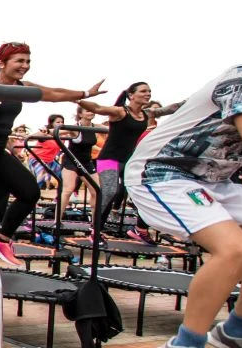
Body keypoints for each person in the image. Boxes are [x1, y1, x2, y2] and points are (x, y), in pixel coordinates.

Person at [126, 21, 242, 348]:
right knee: (236, 250)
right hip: (163, 171)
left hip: (216, 179)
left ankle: (240, 331)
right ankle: (184, 346)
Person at [0, 42, 103, 269]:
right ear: (1, 63)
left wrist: (85, 93)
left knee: (30, 192)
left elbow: (53, 93)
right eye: (19, 61)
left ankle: (1, 240)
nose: (25, 65)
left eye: (28, 61)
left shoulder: (23, 88)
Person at [76, 82, 183, 244]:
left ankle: (140, 230)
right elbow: (97, 108)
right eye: (143, 91)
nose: (148, 94)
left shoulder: (147, 113)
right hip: (109, 159)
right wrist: (78, 97)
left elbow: (171, 108)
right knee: (109, 192)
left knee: (147, 191)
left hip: (129, 160)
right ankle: (95, 231)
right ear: (131, 95)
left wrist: (195, 100)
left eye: (149, 91)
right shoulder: (120, 112)